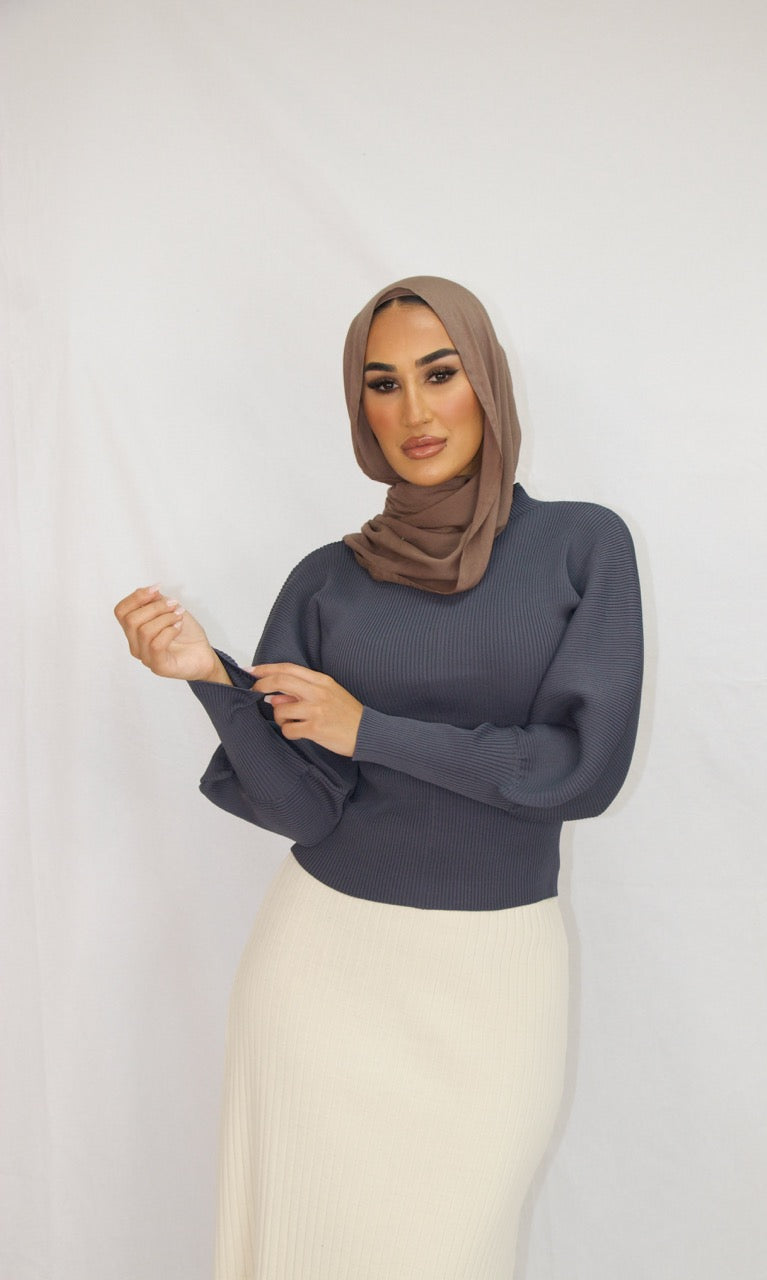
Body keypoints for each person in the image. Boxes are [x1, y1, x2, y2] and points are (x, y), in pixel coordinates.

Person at [114, 275, 643, 1280]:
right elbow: (303, 805)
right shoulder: (327, 579)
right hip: (321, 970)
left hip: (493, 979)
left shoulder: (582, 545)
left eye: (440, 373)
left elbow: (577, 770)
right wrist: (209, 678)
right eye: (383, 383)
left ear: (486, 380)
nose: (414, 410)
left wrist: (370, 730)